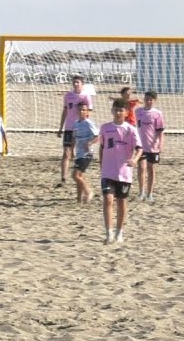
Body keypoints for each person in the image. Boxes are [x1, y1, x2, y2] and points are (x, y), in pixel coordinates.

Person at [97, 99, 141, 244]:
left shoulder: (131, 129)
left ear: (126, 113)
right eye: (115, 109)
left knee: (121, 201)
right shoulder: (105, 128)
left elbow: (139, 148)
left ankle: (119, 232)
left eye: (121, 110)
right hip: (108, 171)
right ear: (112, 111)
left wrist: (134, 160)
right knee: (108, 199)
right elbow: (102, 147)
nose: (118, 113)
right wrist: (101, 164)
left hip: (124, 172)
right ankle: (108, 232)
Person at [56, 75, 91, 188]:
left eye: (78, 82)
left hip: (80, 129)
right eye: (74, 82)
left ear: (82, 84)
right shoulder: (68, 96)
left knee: (79, 154)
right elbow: (65, 111)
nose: (75, 84)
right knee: (66, 153)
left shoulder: (86, 96)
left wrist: (87, 129)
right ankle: (63, 178)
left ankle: (79, 174)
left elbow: (88, 114)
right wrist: (61, 127)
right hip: (69, 128)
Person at [135, 91, 166, 202]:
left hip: (153, 146)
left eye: (150, 100)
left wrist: (160, 144)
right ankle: (141, 192)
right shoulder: (138, 111)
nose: (148, 101)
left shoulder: (157, 113)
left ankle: (150, 193)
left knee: (150, 169)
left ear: (154, 101)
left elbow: (160, 131)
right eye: (146, 99)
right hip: (140, 146)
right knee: (141, 168)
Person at [70, 100, 99, 203]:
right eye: (80, 110)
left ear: (87, 112)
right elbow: (74, 138)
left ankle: (88, 191)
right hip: (79, 153)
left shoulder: (88, 123)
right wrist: (72, 150)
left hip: (86, 154)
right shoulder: (76, 123)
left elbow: (97, 137)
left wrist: (90, 143)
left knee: (75, 175)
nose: (81, 111)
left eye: (84, 110)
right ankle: (79, 199)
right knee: (79, 176)